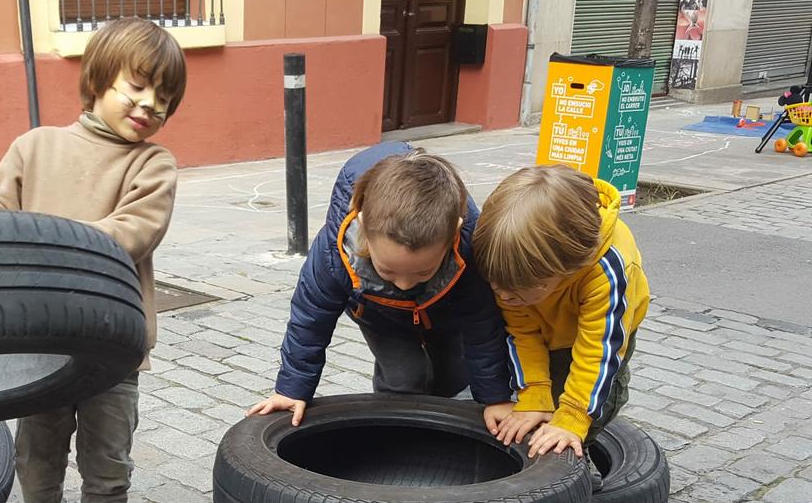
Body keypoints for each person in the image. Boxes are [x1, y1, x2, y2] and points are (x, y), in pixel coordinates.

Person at [0, 17, 186, 503]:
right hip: (39, 346)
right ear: (97, 79)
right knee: (36, 454)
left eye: (165, 100)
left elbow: (133, 233)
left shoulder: (153, 165)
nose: (150, 106)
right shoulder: (33, 148)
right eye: (138, 87)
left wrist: (45, 242)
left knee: (108, 465)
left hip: (112, 347)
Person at [248, 145, 512, 426]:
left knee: (455, 373)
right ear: (364, 227)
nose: (404, 283)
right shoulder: (334, 254)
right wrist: (292, 389)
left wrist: (496, 398)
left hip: (447, 309)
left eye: (423, 272)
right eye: (387, 271)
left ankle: (444, 443)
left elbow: (483, 326)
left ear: (454, 234)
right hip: (377, 312)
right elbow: (310, 320)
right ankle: (395, 438)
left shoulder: (469, 247)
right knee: (403, 377)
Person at [473, 164, 650, 477]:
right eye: (497, 286)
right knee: (543, 396)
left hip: (602, 334)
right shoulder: (511, 279)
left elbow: (597, 353)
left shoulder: (606, 273)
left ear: (566, 270)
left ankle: (576, 463)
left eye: (515, 291)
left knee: (591, 402)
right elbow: (522, 332)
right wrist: (534, 396)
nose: (503, 296)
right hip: (547, 319)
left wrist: (570, 420)